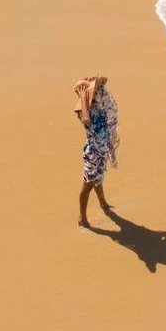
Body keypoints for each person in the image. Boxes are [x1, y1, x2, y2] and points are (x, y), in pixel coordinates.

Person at [73, 75, 120, 228]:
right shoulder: (83, 110)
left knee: (98, 179)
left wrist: (95, 79)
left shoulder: (97, 105)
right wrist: (83, 97)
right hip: (93, 152)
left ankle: (103, 203)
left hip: (101, 149)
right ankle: (82, 218)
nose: (97, 93)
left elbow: (105, 81)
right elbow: (86, 119)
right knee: (88, 184)